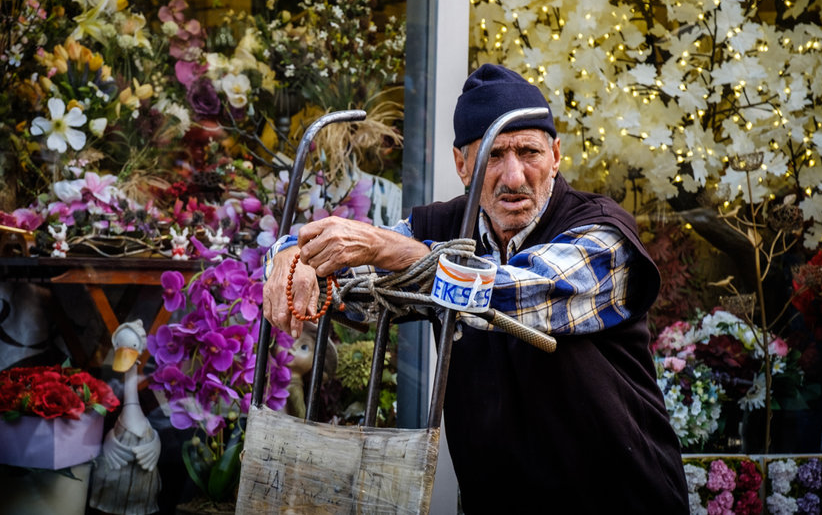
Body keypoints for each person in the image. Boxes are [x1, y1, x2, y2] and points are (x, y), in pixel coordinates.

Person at [263, 64, 690, 513]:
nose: (514, 176)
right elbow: (347, 280)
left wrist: (393, 252)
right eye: (495, 155)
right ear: (462, 165)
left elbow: (514, 292)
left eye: (529, 152)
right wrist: (293, 254)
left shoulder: (601, 233)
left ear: (556, 155)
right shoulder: (441, 227)